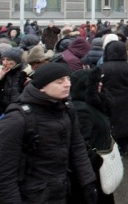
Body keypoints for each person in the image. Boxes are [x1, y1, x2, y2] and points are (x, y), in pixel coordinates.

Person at [0, 62, 97, 203]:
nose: (67, 84)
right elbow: (4, 174)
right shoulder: (17, 119)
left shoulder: (67, 108)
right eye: (60, 81)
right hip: (33, 196)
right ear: (42, 87)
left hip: (62, 189)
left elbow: (77, 147)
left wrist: (88, 182)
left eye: (68, 79)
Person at [69, 67, 115, 204]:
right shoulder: (81, 110)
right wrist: (98, 160)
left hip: (100, 167)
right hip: (93, 170)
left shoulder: (92, 103)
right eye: (96, 82)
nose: (100, 84)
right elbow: (81, 144)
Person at [99, 40, 128, 156]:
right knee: (124, 125)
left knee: (110, 124)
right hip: (125, 101)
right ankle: (123, 149)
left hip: (107, 101)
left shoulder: (102, 67)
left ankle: (111, 149)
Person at [0, 47, 27, 114]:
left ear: (17, 61)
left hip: (18, 112)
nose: (4, 62)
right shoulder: (5, 72)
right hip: (5, 110)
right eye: (3, 59)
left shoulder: (24, 73)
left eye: (8, 59)